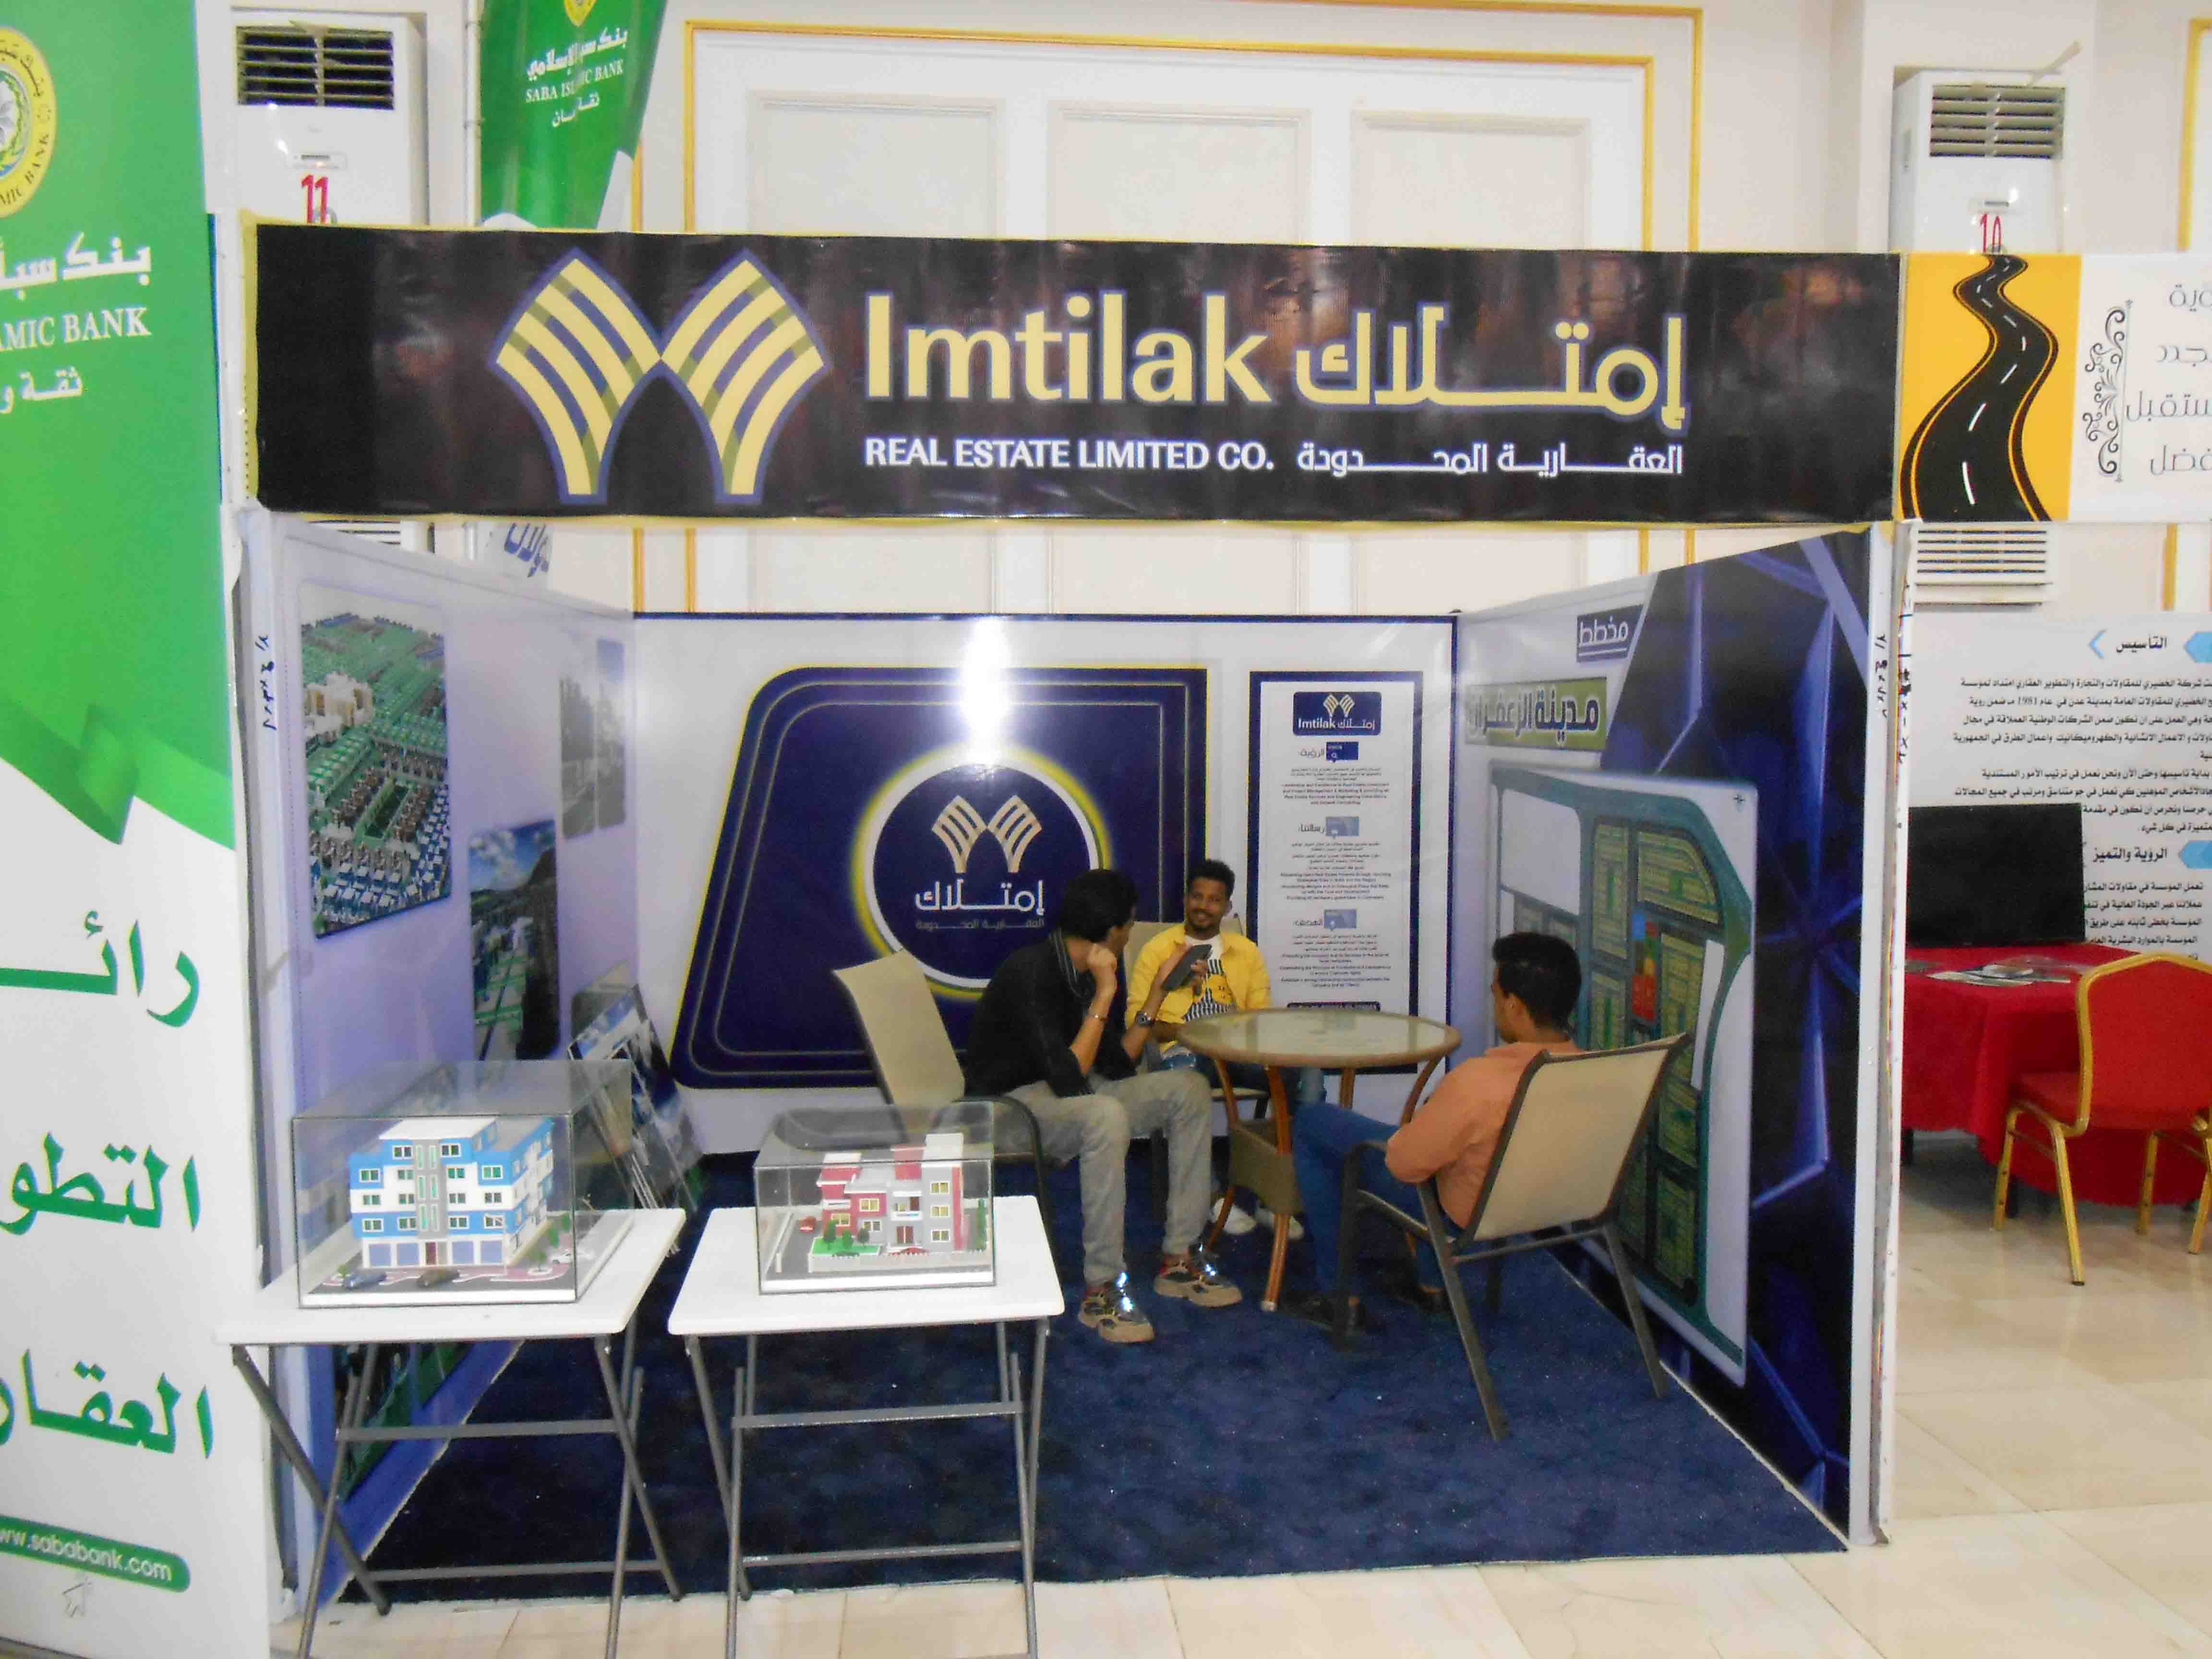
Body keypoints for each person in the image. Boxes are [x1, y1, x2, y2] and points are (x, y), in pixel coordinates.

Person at [964, 868, 1242, 1344]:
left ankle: (1179, 1259)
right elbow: (1069, 1077)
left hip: (1066, 1098)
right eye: (1129, 925)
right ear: (1110, 932)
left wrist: (1159, 991)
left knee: (1188, 1090)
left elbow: (1117, 1064)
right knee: (1105, 1115)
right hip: (1005, 1110)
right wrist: (1107, 994)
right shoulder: (1031, 972)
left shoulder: (1088, 972)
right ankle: (1102, 1289)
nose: (1131, 934)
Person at [1284, 931, 1584, 1327]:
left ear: (1513, 1005)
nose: (1494, 1005)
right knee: (1444, 1145)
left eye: (1495, 995)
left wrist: (1422, 1126)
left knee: (1313, 1123)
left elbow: (1404, 1165)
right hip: (1538, 1204)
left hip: (1462, 1212)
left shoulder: (1479, 1082)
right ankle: (1430, 1286)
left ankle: (1339, 1299)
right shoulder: (1589, 1073)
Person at [1127, 858, 1322, 1236]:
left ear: (1227, 907)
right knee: (1187, 1083)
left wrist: (1243, 1041)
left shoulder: (1246, 952)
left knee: (1309, 1077)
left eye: (1214, 900)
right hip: (1184, 1051)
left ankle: (1277, 1192)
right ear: (1186, 899)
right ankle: (1211, 1197)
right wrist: (1187, 1028)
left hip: (1240, 1054)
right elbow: (1138, 1024)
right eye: (1197, 897)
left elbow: (1262, 1019)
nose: (1204, 906)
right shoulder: (1157, 950)